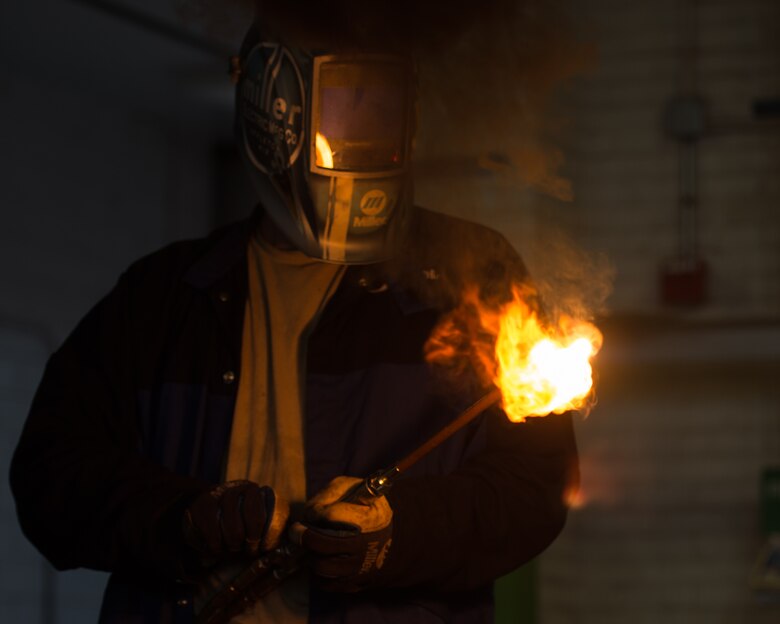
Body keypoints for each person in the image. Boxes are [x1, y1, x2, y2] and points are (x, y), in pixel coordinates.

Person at [10, 2, 579, 623]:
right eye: (345, 109)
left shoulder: (470, 272)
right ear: (274, 108)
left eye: (380, 108)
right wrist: (185, 518)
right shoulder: (165, 296)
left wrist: (398, 534)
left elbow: (533, 489)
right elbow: (51, 480)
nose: (362, 135)